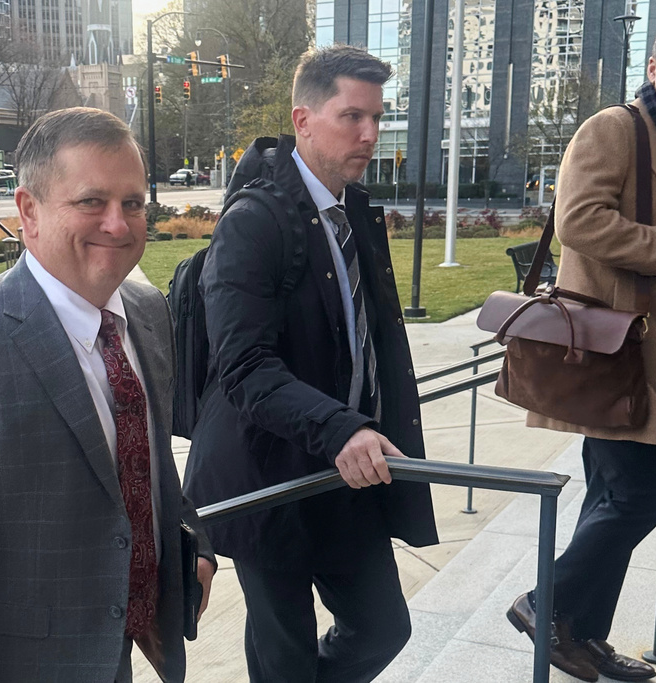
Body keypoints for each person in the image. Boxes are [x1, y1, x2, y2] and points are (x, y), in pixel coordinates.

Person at [0, 107, 216, 683]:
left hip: (122, 652)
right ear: (29, 211)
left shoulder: (147, 311)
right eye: (92, 201)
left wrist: (191, 537)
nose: (118, 224)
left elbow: (145, 461)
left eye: (133, 203)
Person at [183, 45, 437, 683]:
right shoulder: (253, 223)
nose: (371, 134)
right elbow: (242, 366)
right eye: (352, 117)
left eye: (377, 117)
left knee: (383, 626)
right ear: (302, 120)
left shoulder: (353, 208)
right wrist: (341, 427)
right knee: (284, 659)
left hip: (339, 471)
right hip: (269, 475)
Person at [506, 11, 656, 683]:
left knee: (615, 498)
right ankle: (544, 602)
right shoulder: (616, 129)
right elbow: (581, 222)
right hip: (619, 353)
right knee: (636, 500)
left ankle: (580, 634)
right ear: (654, 66)